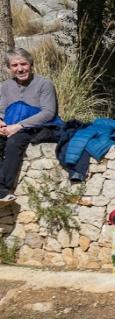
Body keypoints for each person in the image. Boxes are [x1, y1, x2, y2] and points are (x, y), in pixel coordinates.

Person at [0, 47, 63, 203]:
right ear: (9, 68)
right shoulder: (5, 86)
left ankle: (2, 189)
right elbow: (1, 110)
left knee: (15, 141)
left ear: (31, 64)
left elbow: (48, 113)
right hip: (11, 126)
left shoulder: (44, 84)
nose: (20, 69)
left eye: (24, 64)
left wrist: (18, 126)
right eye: (15, 65)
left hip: (40, 127)